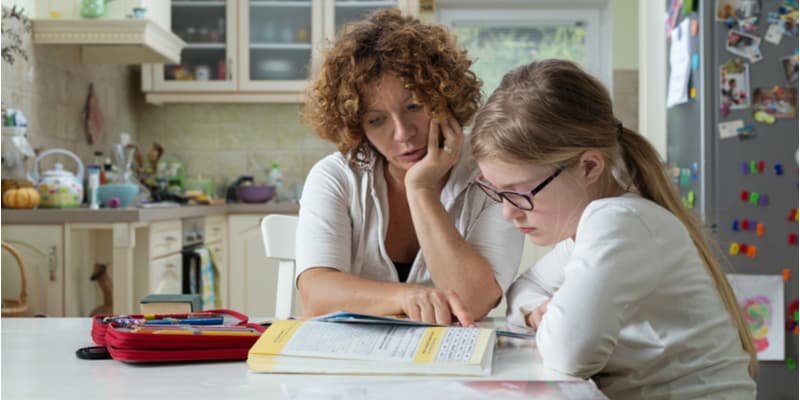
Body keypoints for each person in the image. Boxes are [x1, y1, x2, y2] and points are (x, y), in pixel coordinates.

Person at [469, 59, 756, 399]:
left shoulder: (619, 222)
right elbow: (522, 289)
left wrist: (552, 318)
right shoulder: (596, 227)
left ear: (589, 166)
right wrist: (538, 312)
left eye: (518, 193)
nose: (507, 213)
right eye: (498, 193)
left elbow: (569, 354)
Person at [297, 9, 523, 326]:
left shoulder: (493, 171)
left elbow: (473, 301)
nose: (403, 133)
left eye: (414, 106)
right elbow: (315, 295)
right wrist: (405, 297)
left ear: (444, 97)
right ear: (357, 127)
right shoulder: (336, 177)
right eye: (377, 120)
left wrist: (421, 189)